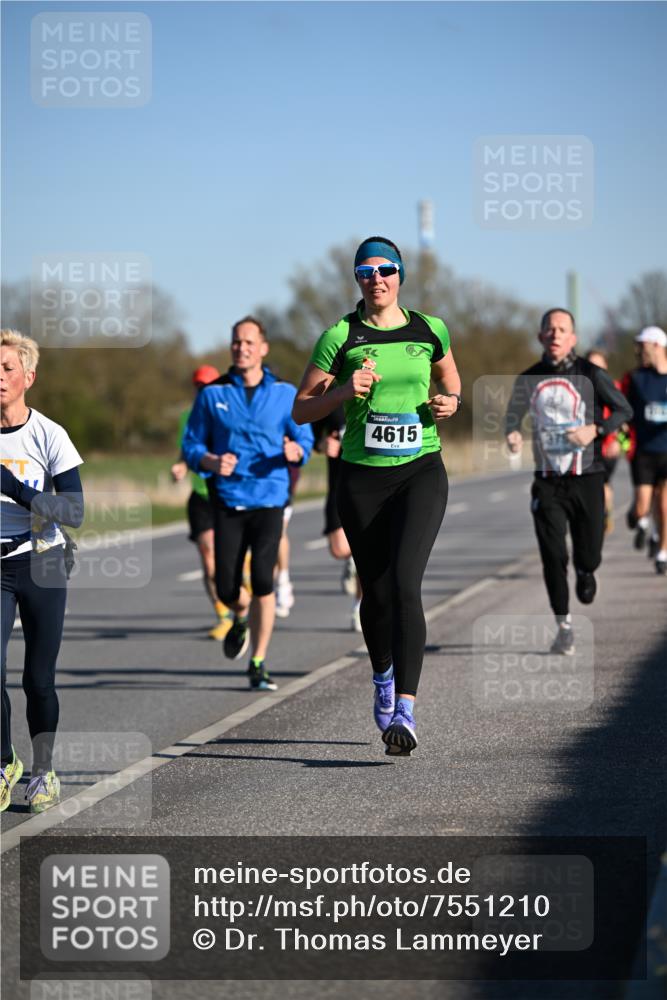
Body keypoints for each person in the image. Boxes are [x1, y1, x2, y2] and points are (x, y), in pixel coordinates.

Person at [292, 236, 461, 756]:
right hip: (362, 478)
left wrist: (449, 401)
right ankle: (382, 675)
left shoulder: (429, 328)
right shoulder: (339, 336)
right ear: (357, 280)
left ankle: (405, 710)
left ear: (400, 275)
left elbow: (451, 380)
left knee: (406, 584)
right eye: (366, 271)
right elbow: (301, 409)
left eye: (386, 269)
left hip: (420, 470)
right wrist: (342, 393)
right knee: (377, 590)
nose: (377, 278)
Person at [182, 316, 314, 691]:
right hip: (228, 499)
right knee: (226, 588)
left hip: (271, 498)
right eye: (236, 342)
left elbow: (304, 440)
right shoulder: (212, 396)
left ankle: (258, 662)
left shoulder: (286, 394)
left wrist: (296, 450)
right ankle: (239, 617)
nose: (242, 348)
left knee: (262, 581)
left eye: (249, 342)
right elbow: (191, 446)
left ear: (263, 348)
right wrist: (210, 461)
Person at [505, 309, 633, 655]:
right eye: (550, 329)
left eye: (563, 330)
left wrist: (596, 429)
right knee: (553, 554)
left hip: (587, 478)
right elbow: (512, 417)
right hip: (547, 481)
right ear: (540, 337)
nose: (556, 335)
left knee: (587, 553)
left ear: (573, 338)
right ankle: (563, 625)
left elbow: (624, 410)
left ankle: (587, 570)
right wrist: (513, 434)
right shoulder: (528, 378)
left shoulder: (592, 374)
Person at [1, 329, 84, 813]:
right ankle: (3, 762)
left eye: (8, 368)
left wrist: (14, 488)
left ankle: (43, 770)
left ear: (28, 376)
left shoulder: (48, 434)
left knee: (38, 679)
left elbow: (74, 512)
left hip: (42, 561)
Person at [171, 365, 232, 640]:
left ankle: (242, 581)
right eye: (198, 386)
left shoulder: (230, 411)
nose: (202, 390)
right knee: (208, 559)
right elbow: (188, 449)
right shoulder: (187, 416)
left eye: (208, 385)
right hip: (202, 496)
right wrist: (182, 466)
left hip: (228, 493)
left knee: (230, 555)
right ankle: (223, 616)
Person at [312, 407, 362, 630]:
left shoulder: (379, 394)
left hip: (370, 483)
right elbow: (312, 437)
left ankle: (359, 606)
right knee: (339, 549)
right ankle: (352, 559)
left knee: (366, 553)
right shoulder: (332, 400)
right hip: (339, 485)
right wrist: (322, 445)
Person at [622, 326, 667, 574]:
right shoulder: (637, 378)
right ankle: (637, 517)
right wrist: (623, 440)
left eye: (643, 345)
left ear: (657, 346)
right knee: (643, 505)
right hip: (644, 452)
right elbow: (624, 414)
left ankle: (662, 553)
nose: (639, 350)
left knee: (665, 506)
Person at [585, 349, 628, 534]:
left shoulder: (614, 388)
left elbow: (626, 420)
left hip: (608, 446)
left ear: (605, 367)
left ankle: (603, 513)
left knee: (601, 483)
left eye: (598, 365)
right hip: (585, 448)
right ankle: (598, 513)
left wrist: (619, 443)